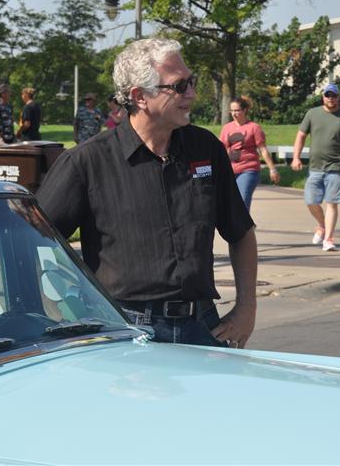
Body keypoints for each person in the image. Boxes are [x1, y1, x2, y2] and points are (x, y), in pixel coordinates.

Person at [37, 38, 257, 349]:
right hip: (126, 332)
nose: (192, 94)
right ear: (140, 96)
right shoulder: (87, 162)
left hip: (203, 326)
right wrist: (61, 314)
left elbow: (241, 231)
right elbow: (32, 240)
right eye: (179, 86)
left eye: (191, 81)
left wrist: (247, 308)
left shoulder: (206, 148)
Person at [291, 84, 340, 252]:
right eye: (328, 95)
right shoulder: (312, 114)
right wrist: (296, 157)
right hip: (315, 167)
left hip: (336, 167)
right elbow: (301, 136)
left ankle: (328, 239)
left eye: (333, 96)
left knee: (332, 203)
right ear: (323, 97)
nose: (331, 98)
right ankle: (322, 226)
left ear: (338, 98)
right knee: (311, 201)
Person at [219, 96, 280, 209]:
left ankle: (243, 221)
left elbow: (263, 149)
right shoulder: (227, 128)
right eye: (232, 110)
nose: (234, 114)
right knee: (229, 203)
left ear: (245, 110)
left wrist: (272, 169)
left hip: (248, 169)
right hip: (230, 170)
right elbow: (221, 150)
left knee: (242, 201)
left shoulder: (254, 127)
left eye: (237, 110)